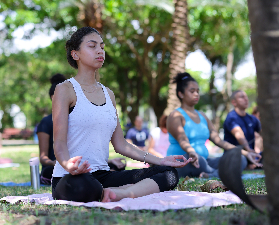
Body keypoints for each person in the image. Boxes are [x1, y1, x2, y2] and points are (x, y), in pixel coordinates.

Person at [51, 27, 192, 203]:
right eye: (92, 46)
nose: (99, 51)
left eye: (102, 47)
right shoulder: (65, 89)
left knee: (168, 174)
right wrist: (67, 164)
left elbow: (121, 144)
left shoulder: (108, 94)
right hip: (71, 178)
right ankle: (115, 191)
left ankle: (121, 194)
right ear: (75, 54)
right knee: (86, 187)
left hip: (102, 175)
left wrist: (161, 160)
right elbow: (59, 143)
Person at [166, 73, 261, 178]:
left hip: (204, 162)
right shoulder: (175, 115)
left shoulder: (202, 116)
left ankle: (210, 174)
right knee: (200, 160)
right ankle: (216, 173)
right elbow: (182, 139)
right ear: (181, 94)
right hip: (184, 162)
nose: (196, 94)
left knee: (239, 158)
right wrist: (192, 152)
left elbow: (219, 141)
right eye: (192, 91)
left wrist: (245, 153)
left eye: (198, 91)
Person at [223, 91, 262, 169]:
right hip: (235, 156)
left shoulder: (252, 119)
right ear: (234, 102)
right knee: (242, 159)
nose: (246, 99)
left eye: (246, 97)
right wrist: (248, 150)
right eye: (242, 97)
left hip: (252, 155)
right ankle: (250, 165)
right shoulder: (231, 118)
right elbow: (239, 135)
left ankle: (253, 164)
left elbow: (264, 134)